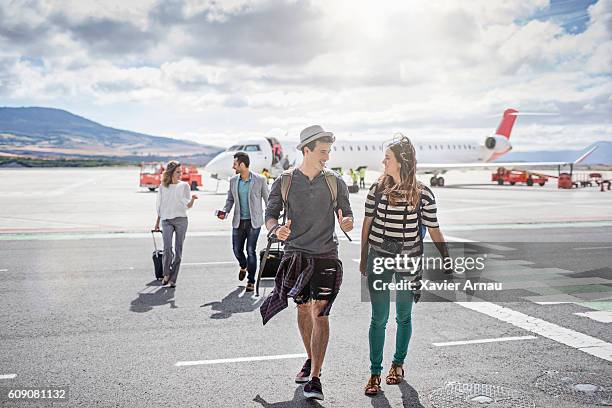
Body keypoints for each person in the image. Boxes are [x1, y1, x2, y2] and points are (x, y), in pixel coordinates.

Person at [260, 125, 354, 401]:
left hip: (326, 255)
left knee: (320, 313)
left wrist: (347, 221)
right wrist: (276, 230)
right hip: (295, 256)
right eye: (322, 151)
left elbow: (346, 213)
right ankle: (310, 358)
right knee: (303, 311)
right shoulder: (285, 180)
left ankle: (315, 377)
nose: (327, 156)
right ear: (306, 150)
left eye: (328, 151)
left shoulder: (334, 181)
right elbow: (271, 214)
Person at [359, 136, 451, 396]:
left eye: (387, 158)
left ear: (401, 162)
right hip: (378, 257)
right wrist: (364, 255)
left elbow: (434, 229)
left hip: (408, 261)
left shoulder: (423, 194)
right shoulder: (376, 189)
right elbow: (367, 224)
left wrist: (446, 257)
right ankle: (374, 372)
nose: (383, 162)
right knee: (379, 318)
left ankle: (398, 365)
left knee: (403, 315)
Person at [218, 152, 269, 292]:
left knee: (250, 250)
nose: (233, 166)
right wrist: (225, 211)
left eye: (235, 164)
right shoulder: (233, 181)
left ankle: (251, 281)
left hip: (254, 222)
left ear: (242, 164)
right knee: (237, 250)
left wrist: (273, 218)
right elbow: (230, 200)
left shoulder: (260, 180)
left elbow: (268, 200)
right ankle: (243, 265)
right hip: (238, 221)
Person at [153, 161, 198, 288]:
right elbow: (160, 206)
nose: (180, 174)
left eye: (181, 172)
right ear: (171, 172)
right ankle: (166, 273)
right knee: (167, 249)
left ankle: (173, 279)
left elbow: (187, 206)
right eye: (178, 172)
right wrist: (157, 223)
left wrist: (193, 200)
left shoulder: (184, 186)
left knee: (178, 251)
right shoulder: (163, 187)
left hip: (181, 220)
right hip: (166, 220)